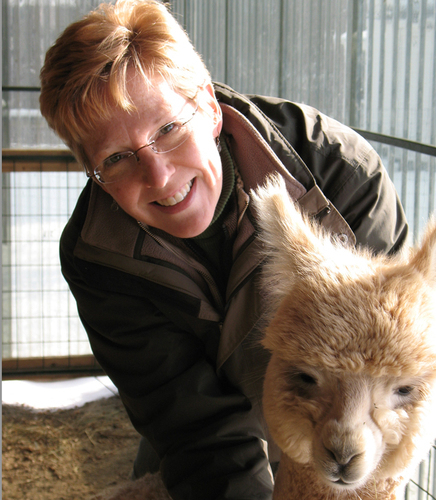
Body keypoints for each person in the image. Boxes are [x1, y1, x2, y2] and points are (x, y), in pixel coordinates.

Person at [39, 1, 408, 498]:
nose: (160, 176)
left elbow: (398, 366)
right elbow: (191, 424)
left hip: (341, 426)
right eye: (118, 158)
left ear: (210, 107)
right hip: (204, 439)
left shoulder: (339, 176)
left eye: (168, 129)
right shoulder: (97, 258)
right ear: (94, 175)